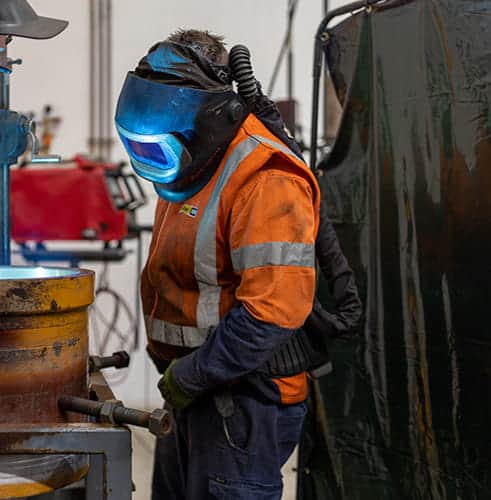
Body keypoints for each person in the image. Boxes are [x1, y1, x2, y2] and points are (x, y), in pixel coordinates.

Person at [114, 30, 339, 499]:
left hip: (243, 402)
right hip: (195, 390)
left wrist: (189, 376)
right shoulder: (192, 164)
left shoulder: (266, 180)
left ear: (209, 117)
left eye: (156, 149)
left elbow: (272, 312)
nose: (149, 163)